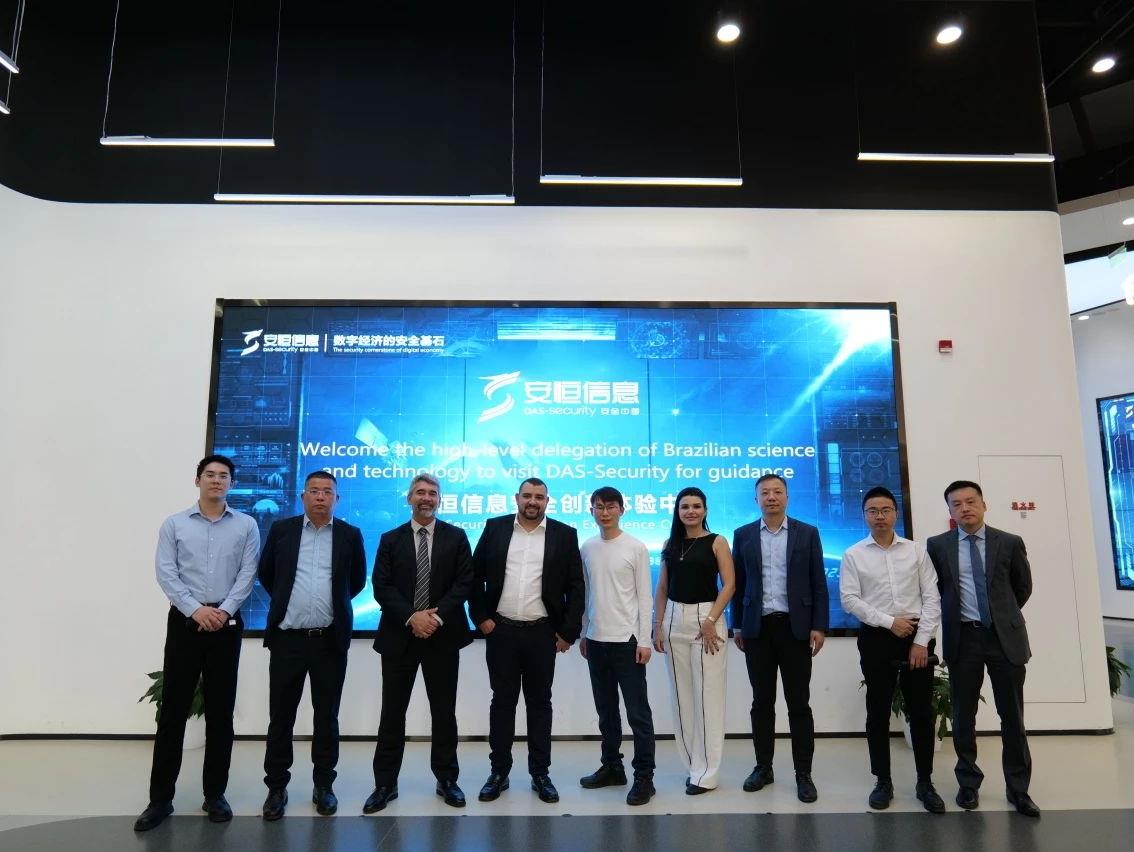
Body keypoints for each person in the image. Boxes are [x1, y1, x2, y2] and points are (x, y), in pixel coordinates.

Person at [134, 455, 260, 832]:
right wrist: (195, 609)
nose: (216, 480)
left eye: (223, 476)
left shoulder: (246, 525)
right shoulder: (174, 524)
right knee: (173, 711)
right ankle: (160, 800)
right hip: (185, 623)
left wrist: (223, 610)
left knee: (221, 713)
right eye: (210, 475)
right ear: (197, 480)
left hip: (226, 622)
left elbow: (248, 573)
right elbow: (166, 572)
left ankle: (215, 794)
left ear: (231, 484)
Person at [257, 471, 367, 820]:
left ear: (337, 498)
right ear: (303, 496)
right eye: (314, 491)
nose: (320, 497)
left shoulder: (350, 534)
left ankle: (324, 785)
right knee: (281, 718)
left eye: (327, 492)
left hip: (328, 642)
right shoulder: (282, 530)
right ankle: (276, 787)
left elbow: (356, 582)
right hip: (287, 640)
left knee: (327, 717)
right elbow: (267, 573)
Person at [926, 480, 1039, 818]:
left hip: (1004, 639)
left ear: (983, 504)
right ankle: (968, 783)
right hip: (964, 639)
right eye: (957, 504)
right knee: (963, 716)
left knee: (1012, 717)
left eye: (970, 501)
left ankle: (1018, 789)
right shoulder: (937, 546)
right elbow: (937, 590)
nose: (965, 508)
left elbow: (1022, 587)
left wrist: (1000, 617)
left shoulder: (1010, 542)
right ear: (950, 510)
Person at [469, 478, 585, 805]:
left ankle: (540, 774)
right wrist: (482, 619)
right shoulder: (495, 528)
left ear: (547, 501)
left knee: (540, 704)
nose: (532, 501)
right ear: (517, 498)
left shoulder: (564, 534)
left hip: (542, 634)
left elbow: (576, 587)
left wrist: (567, 632)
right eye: (527, 496)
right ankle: (499, 773)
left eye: (539, 497)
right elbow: (474, 576)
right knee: (502, 703)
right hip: (501, 631)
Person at [364, 474, 474, 813]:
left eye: (432, 493)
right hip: (400, 637)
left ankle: (447, 779)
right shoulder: (390, 539)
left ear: (439, 499)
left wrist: (434, 618)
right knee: (392, 713)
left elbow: (464, 582)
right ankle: (385, 784)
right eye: (420, 492)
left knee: (444, 713)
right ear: (409, 498)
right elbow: (381, 586)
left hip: (443, 637)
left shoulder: (456, 537)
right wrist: (412, 617)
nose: (426, 498)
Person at [840, 486, 945, 813]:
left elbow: (932, 598)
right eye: (872, 511)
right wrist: (889, 622)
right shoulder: (853, 554)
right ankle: (882, 781)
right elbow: (849, 600)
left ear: (895, 513)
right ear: (864, 515)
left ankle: (925, 782)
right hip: (876, 639)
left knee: (921, 712)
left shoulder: (916, 551)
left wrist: (920, 641)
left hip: (916, 637)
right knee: (878, 712)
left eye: (885, 510)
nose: (880, 516)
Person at [731, 473, 827, 803]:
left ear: (787, 497)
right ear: (756, 499)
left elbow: (818, 582)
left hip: (795, 629)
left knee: (799, 704)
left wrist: (819, 625)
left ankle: (804, 774)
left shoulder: (807, 533)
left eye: (777, 492)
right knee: (761, 703)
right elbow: (737, 584)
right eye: (765, 493)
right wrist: (737, 625)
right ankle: (763, 768)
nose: (771, 497)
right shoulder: (743, 534)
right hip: (757, 630)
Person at [652, 486, 735, 794]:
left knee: (708, 698)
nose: (690, 511)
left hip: (707, 620)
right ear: (677, 511)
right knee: (682, 698)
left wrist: (711, 620)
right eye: (684, 506)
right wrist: (657, 625)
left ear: (705, 510)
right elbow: (662, 588)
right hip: (673, 619)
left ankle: (708, 773)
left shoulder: (717, 542)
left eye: (696, 506)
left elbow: (729, 585)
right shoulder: (669, 544)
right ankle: (693, 767)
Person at [577, 487, 656, 806]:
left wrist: (645, 639)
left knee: (638, 713)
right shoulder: (587, 547)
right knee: (606, 712)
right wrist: (584, 632)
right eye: (599, 507)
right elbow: (586, 594)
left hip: (628, 642)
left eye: (611, 506)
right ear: (591, 511)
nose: (605, 512)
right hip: (596, 641)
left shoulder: (635, 547)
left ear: (622, 509)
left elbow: (645, 596)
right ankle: (612, 767)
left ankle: (644, 777)